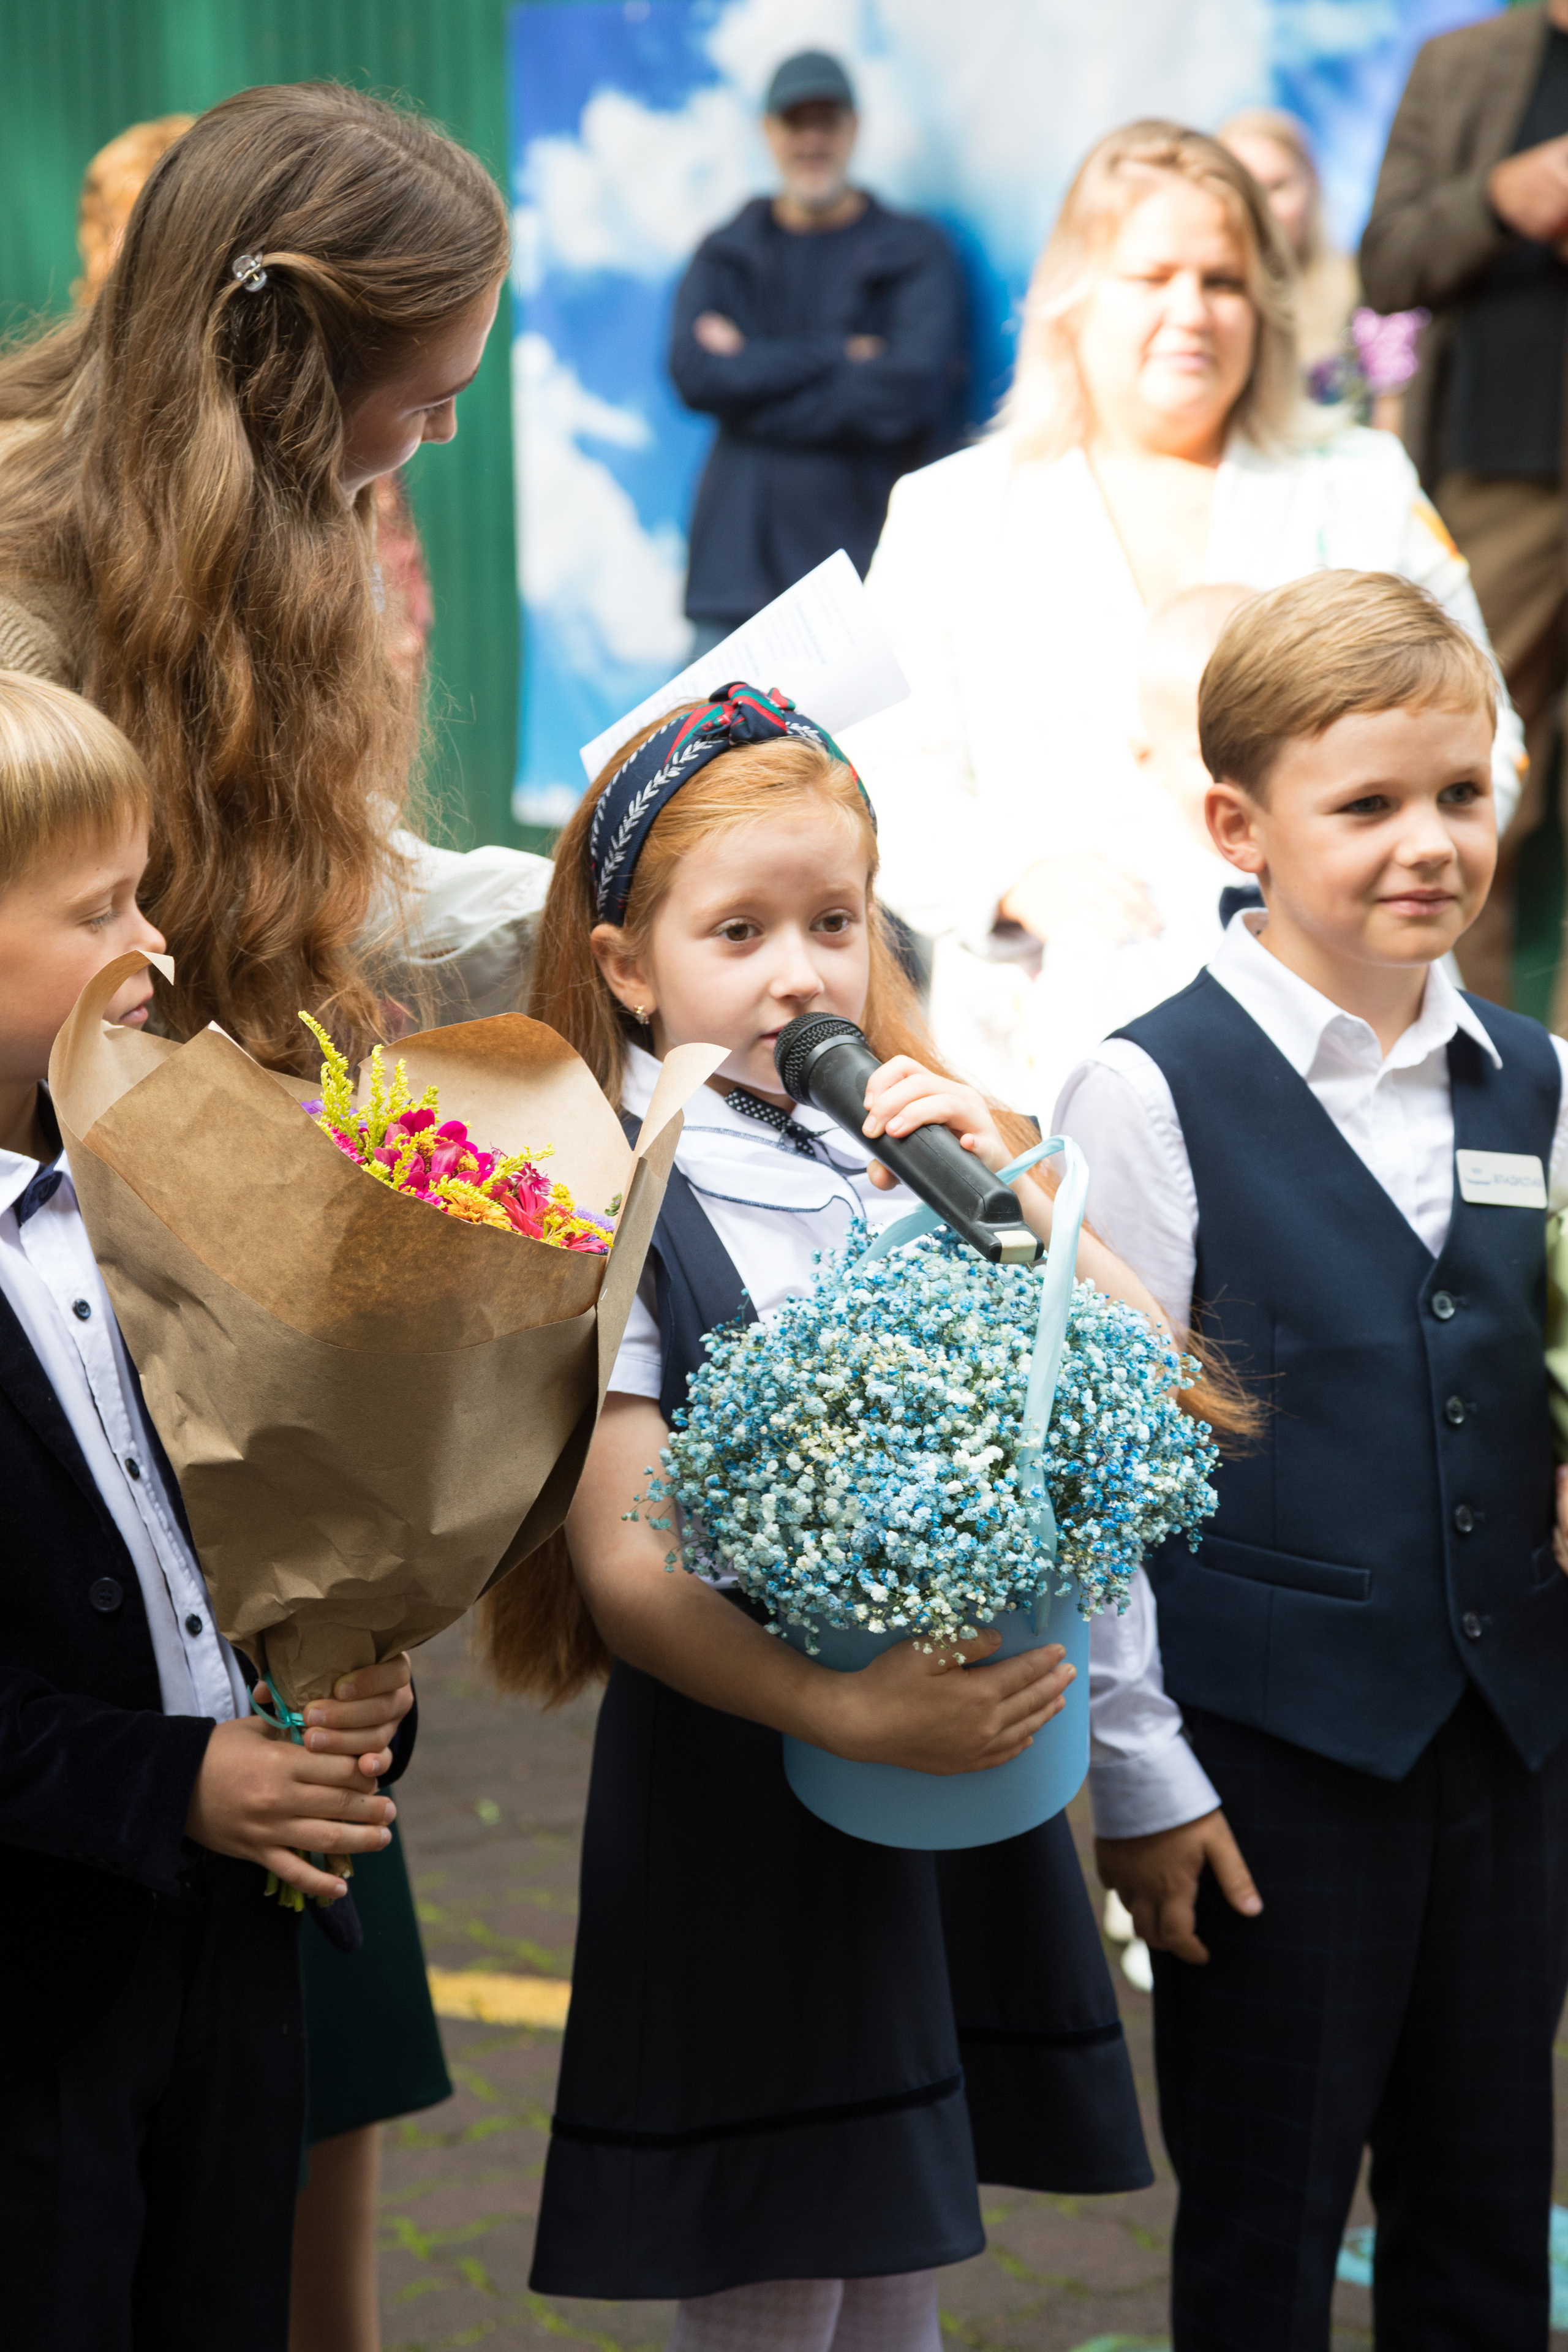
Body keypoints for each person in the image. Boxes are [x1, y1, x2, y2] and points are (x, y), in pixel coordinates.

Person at [478, 680, 1257, 2349]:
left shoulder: (902, 1143)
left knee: (901, 2245)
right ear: (629, 965)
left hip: (948, 1769)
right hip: (756, 1793)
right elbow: (625, 1558)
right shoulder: (624, 1186)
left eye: (833, 921)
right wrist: (838, 1700)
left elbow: (1157, 1384)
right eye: (739, 930)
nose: (799, 975)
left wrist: (1017, 1187)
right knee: (779, 2268)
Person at [0, 82, 549, 2345]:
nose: (412, 466)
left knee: (260, 2100)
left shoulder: (285, 552)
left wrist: (613, 893)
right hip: (63, 1335)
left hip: (178, 1328)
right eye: (406, 414)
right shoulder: (29, 574)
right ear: (284, 361)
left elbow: (342, 902)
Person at [1056, 571, 1568, 2350]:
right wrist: (1139, 1773)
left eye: (1461, 791)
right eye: (1365, 803)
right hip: (1271, 1766)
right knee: (1265, 2228)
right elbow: (1101, 1474)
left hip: (1509, 1750)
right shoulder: (1145, 1088)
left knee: (1493, 2217)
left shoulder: (1532, 1081)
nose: (1425, 841)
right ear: (1236, 822)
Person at [0, 668, 413, 2344]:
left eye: (144, 886)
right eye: (100, 905)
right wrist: (177, 1778)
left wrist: (334, 1669)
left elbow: (238, 1513)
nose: (154, 940)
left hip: (230, 1954)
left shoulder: (151, 1177)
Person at [845, 119, 1524, 1120]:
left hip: (1353, 1054)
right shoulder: (951, 512)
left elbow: (1488, 743)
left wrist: (1362, 877)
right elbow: (881, 771)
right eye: (1151, 276)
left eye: (1223, 280)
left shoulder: (1364, 489)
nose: (1191, 311)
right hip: (1047, 1070)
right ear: (1073, 299)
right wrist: (1013, 877)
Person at [1361, 2, 1568, 1012]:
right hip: (1497, 479)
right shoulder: (1460, 65)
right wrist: (1502, 197)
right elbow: (1388, 262)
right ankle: (1470, 1086)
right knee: (1468, 771)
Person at [669, 50, 968, 653]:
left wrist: (751, 383)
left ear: (853, 128)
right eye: (794, 121)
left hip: (861, 580)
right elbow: (696, 376)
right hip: (732, 582)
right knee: (715, 751)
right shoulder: (726, 251)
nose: (811, 139)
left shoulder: (912, 252)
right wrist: (836, 354)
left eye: (825, 120)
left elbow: (906, 393)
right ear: (768, 131)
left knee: (859, 753)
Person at [1218, 107, 1423, 431]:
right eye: (1245, 189)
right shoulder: (1200, 306)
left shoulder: (1369, 289)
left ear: (1310, 184)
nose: (1263, 209)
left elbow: (1394, 426)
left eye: (1277, 186)